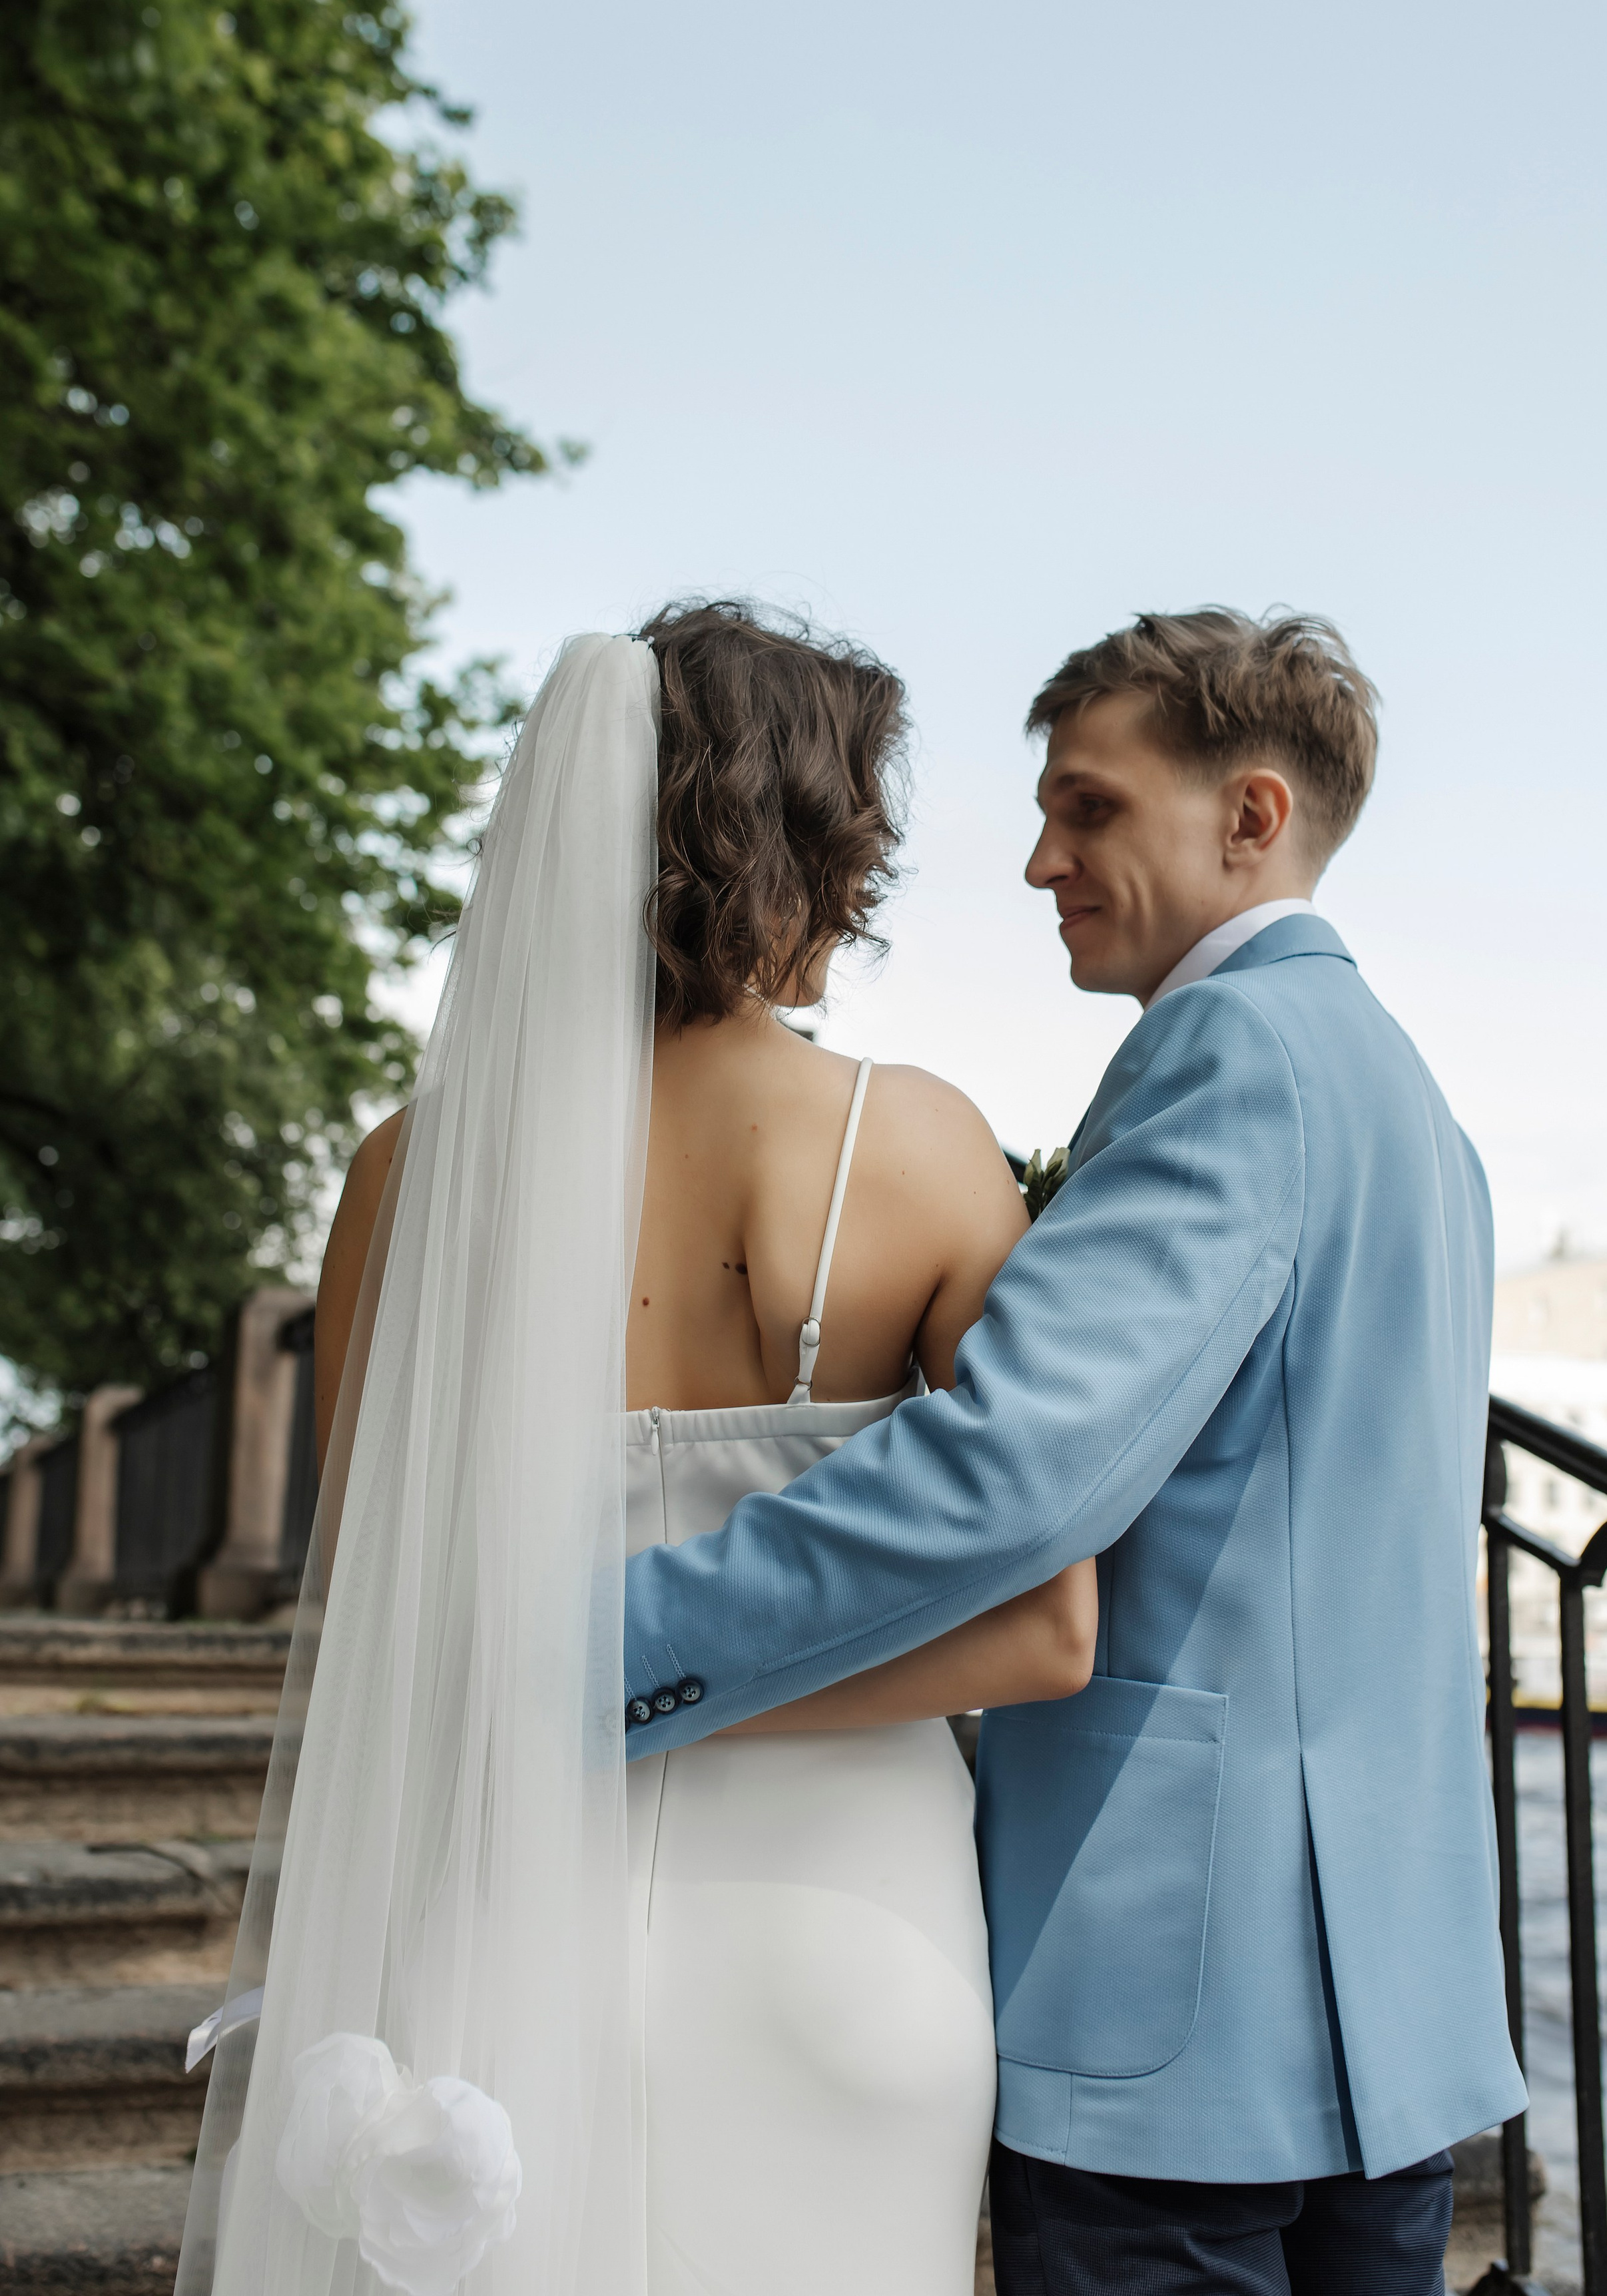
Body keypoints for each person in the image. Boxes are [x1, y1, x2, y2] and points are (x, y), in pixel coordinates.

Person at [623, 608, 1527, 2296]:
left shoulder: (1227, 1055)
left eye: (1087, 808)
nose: (1039, 859)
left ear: (1248, 817)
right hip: (1382, 2013)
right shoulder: (1411, 1102)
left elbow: (1006, 1474)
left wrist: (605, 1643)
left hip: (1171, 2014)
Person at [291, 601, 1096, 2296]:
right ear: (799, 841)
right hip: (847, 1935)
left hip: (492, 1928)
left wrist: (565, 1687)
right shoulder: (921, 1144)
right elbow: (1046, 1626)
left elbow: (374, 1603)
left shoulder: (400, 1177)